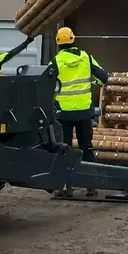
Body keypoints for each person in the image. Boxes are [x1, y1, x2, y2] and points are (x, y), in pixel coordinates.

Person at [51, 26, 108, 195]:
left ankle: (66, 187)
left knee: (65, 149)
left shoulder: (55, 61)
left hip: (64, 113)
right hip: (84, 112)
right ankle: (91, 185)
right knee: (86, 147)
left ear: (58, 43)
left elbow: (47, 84)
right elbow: (103, 78)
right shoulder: (86, 58)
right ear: (73, 39)